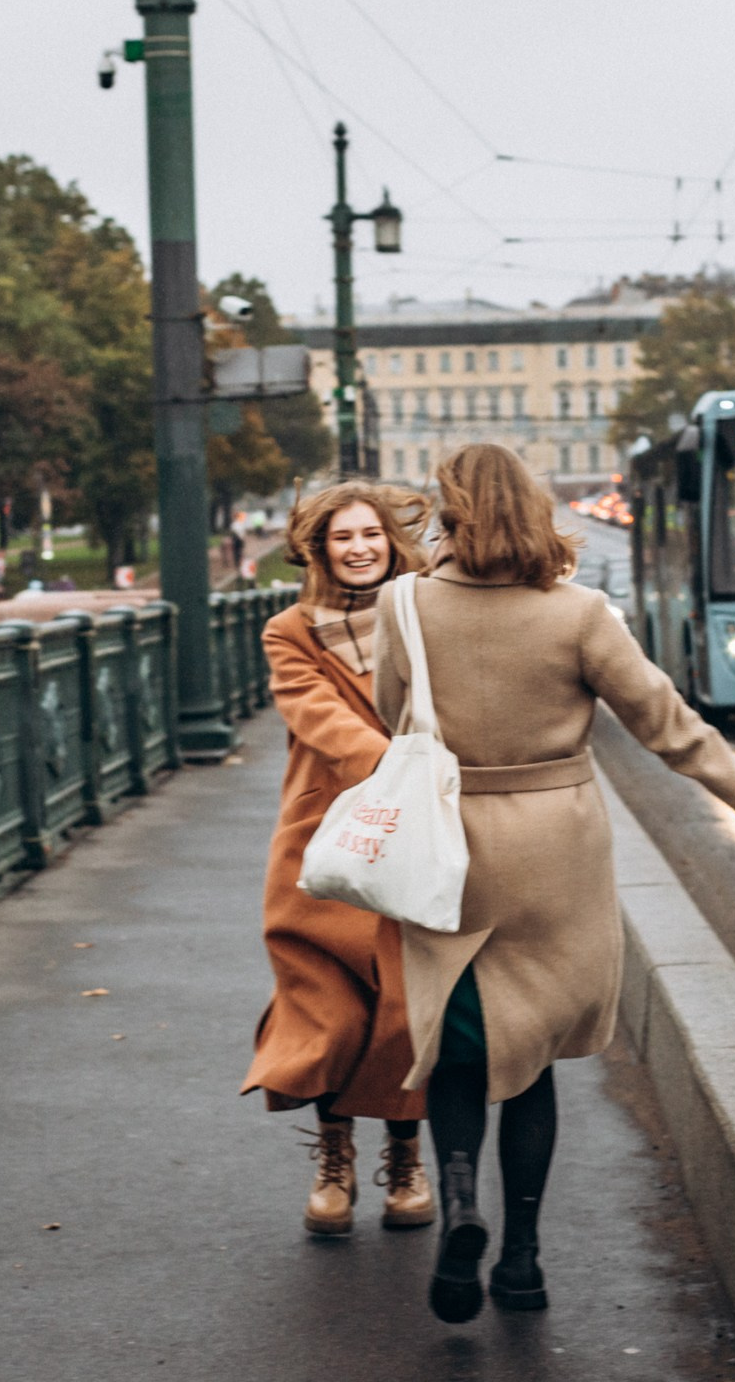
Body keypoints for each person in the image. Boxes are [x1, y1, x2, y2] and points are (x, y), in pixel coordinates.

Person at [371, 444, 735, 1324]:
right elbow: (668, 725)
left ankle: (459, 1202)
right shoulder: (579, 613)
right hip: (555, 850)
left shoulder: (404, 606)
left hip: (449, 850)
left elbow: (395, 720)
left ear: (451, 510)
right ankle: (525, 1261)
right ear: (535, 510)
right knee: (530, 1054)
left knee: (457, 1049)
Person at [244, 482, 436, 1239]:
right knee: (329, 1007)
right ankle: (333, 1156)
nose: (358, 548)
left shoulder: (424, 616)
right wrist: (398, 767)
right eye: (341, 538)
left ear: (391, 540)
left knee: (401, 1010)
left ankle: (405, 1156)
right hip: (325, 841)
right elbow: (315, 714)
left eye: (370, 535)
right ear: (318, 550)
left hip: (415, 838)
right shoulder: (288, 630)